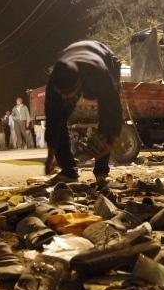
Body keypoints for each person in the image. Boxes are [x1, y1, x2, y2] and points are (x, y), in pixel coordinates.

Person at [44, 40, 122, 183]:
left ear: (80, 82)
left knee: (106, 118)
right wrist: (50, 155)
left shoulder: (100, 74)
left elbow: (113, 110)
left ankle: (101, 171)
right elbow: (52, 118)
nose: (67, 97)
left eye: (70, 93)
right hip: (78, 59)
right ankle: (68, 171)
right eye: (63, 93)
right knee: (59, 117)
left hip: (105, 59)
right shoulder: (55, 80)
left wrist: (110, 142)